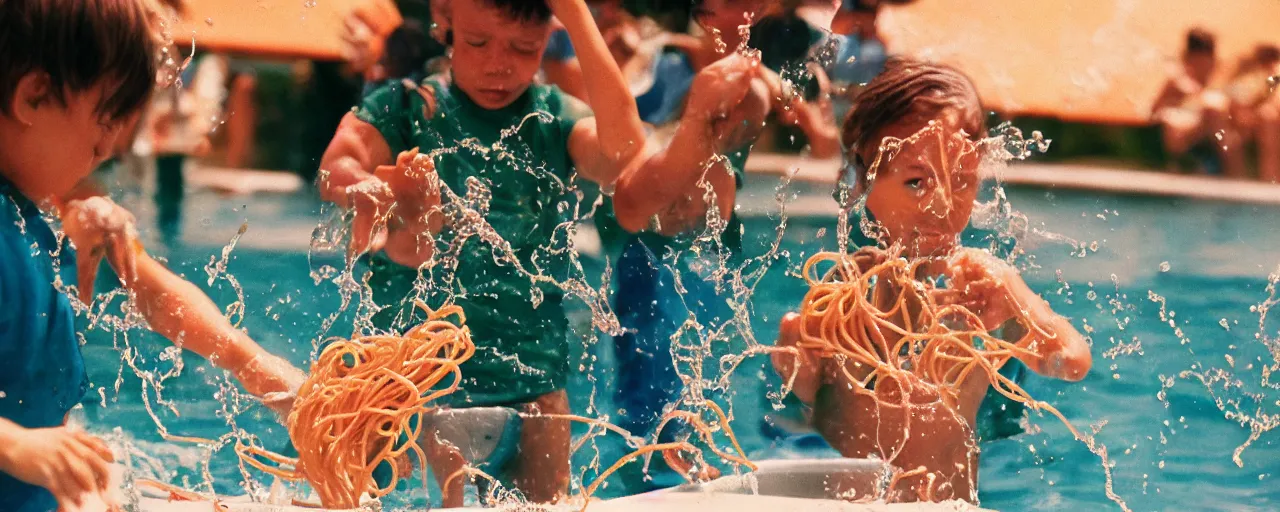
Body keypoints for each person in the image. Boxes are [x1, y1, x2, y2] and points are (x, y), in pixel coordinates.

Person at [316, 0, 764, 503]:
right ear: (445, 20)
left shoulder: (551, 118)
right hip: (407, 380)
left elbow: (622, 153)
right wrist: (372, 191)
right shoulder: (407, 108)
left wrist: (576, 17)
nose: (498, 63)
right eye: (478, 43)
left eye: (524, 48)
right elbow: (338, 164)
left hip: (530, 381)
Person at [770, 58, 1093, 502]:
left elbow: (1070, 362)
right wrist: (799, 382)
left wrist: (1016, 293)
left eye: (961, 181)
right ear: (865, 181)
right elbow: (793, 436)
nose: (942, 204)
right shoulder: (836, 306)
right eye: (917, 182)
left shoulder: (983, 295)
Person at [0, 0, 158, 509]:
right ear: (34, 97)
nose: (110, 145)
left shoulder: (25, 214)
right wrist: (16, 444)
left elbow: (153, 290)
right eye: (105, 118)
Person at [1151, 28, 1245, 177]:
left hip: (1206, 141)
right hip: (1180, 141)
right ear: (1190, 59)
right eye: (1203, 61)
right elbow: (1157, 115)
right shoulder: (1180, 82)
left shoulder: (1214, 86)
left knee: (1225, 126)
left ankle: (1234, 174)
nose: (1210, 66)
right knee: (1213, 110)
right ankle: (1235, 176)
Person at [1225, 44, 1280, 182]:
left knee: (1268, 117)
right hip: (1250, 127)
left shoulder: (1272, 80)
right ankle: (1270, 181)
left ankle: (1270, 181)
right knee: (1267, 118)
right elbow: (1237, 110)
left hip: (1262, 124)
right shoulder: (1248, 80)